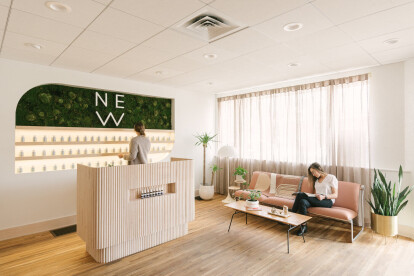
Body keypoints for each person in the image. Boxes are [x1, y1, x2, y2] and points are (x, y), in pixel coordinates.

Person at [291, 162, 338, 236]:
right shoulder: (316, 181)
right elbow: (314, 195)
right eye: (311, 173)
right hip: (317, 200)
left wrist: (324, 196)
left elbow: (335, 195)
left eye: (313, 172)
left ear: (319, 169)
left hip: (327, 201)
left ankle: (291, 217)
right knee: (302, 201)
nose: (313, 175)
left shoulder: (331, 178)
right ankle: (303, 227)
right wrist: (315, 195)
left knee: (300, 195)